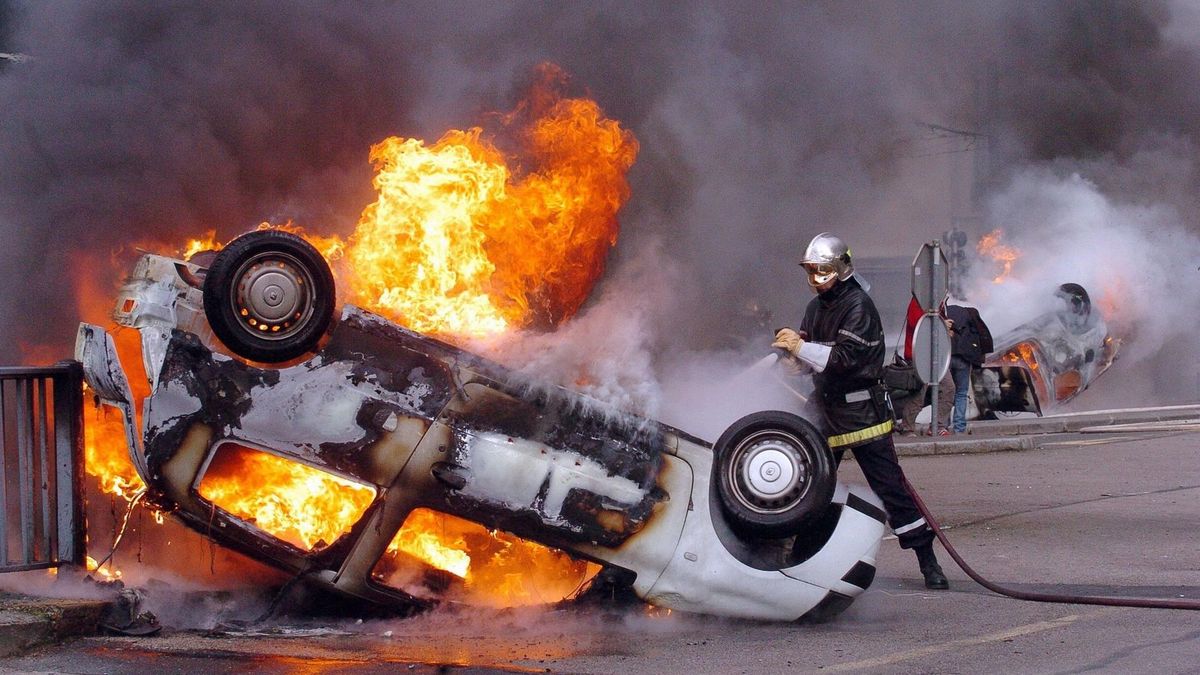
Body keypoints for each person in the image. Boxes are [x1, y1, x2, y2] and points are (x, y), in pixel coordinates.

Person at [772, 232, 948, 590]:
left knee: (891, 489)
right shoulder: (814, 308)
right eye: (811, 271)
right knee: (811, 487)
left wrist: (802, 349)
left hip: (862, 412)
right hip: (824, 411)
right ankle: (798, 557)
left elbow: (845, 359)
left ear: (840, 269)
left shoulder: (858, 306)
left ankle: (927, 560)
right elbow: (814, 358)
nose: (815, 279)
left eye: (822, 270)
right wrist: (795, 362)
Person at [894, 296, 954, 436]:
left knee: (948, 388)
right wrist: (941, 325)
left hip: (935, 355)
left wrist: (944, 330)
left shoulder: (937, 302)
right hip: (919, 355)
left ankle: (938, 425)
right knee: (919, 393)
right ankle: (907, 426)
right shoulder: (918, 301)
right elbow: (917, 323)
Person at [945, 303, 993, 433]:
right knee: (961, 393)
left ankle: (942, 426)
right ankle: (959, 427)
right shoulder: (970, 316)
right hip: (963, 358)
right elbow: (979, 338)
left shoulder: (942, 315)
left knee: (944, 392)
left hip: (945, 357)